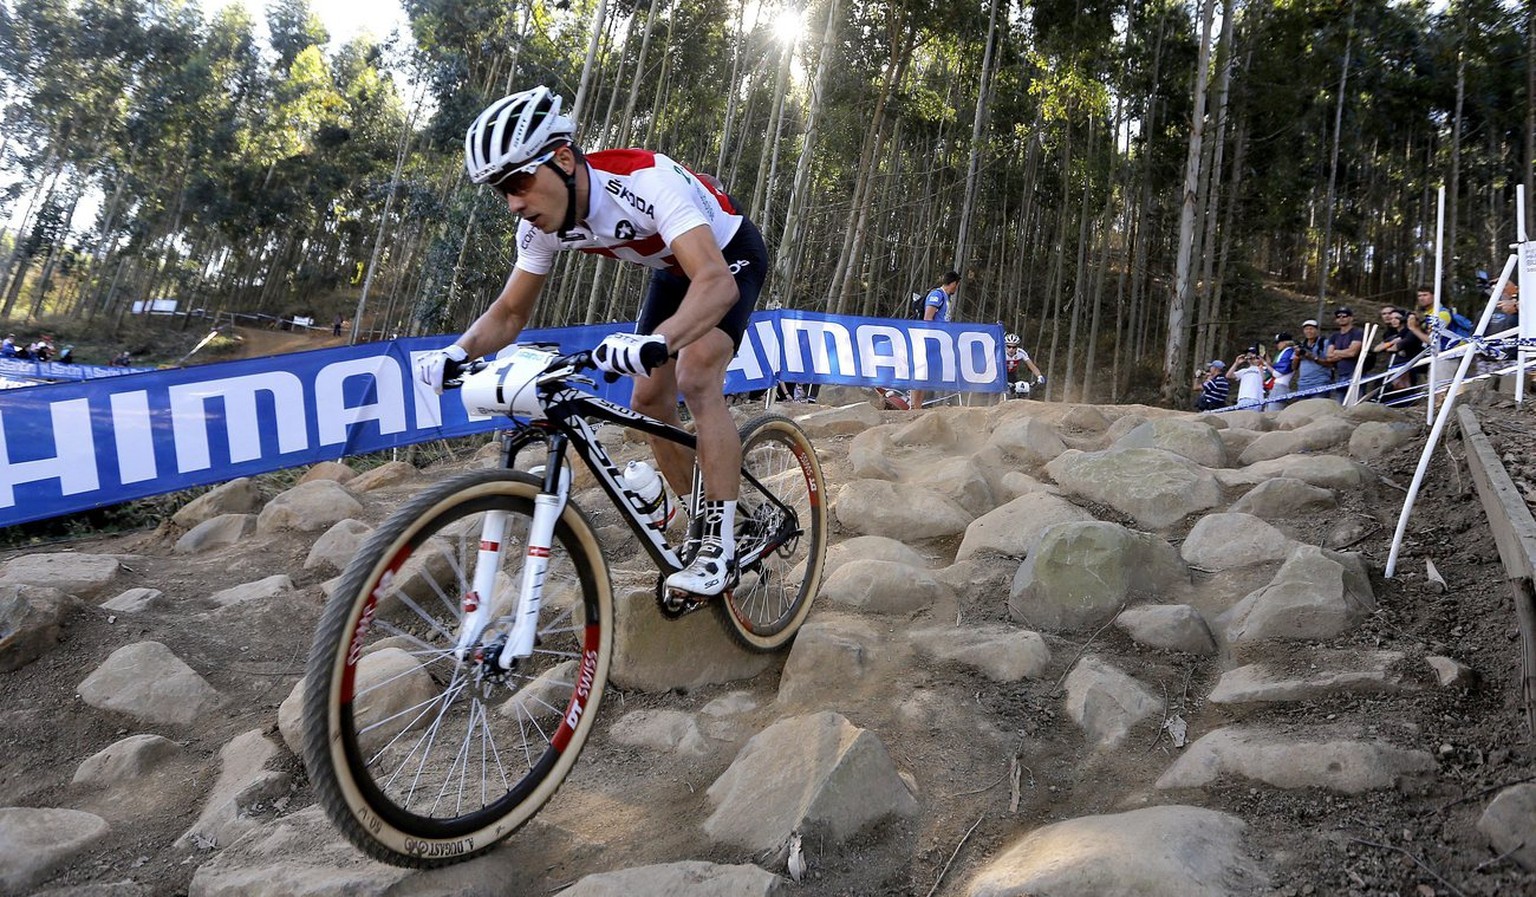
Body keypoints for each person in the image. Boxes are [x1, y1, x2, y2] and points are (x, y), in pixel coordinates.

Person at [417, 86, 767, 598]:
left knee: (695, 376)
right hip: (672, 268)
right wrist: (458, 351)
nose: (514, 203)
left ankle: (719, 544)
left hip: (726, 255)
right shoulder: (541, 225)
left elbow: (715, 283)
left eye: (519, 181)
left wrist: (659, 341)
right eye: (501, 191)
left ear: (561, 159)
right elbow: (511, 311)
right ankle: (702, 514)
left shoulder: (643, 181)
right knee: (648, 399)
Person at [908, 271, 959, 411]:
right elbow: (928, 317)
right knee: (921, 371)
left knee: (927, 374)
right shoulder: (937, 295)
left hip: (938, 340)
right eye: (956, 285)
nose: (956, 289)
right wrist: (930, 338)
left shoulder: (945, 297)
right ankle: (913, 404)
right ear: (954, 283)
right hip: (929, 339)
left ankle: (917, 405)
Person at [1324, 307, 1363, 401]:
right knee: (1339, 404)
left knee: (1355, 404)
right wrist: (1344, 353)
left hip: (1355, 373)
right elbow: (1328, 356)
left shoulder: (1357, 333)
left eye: (1344, 316)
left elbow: (1352, 352)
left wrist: (1336, 352)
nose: (1341, 318)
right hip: (1340, 374)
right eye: (1338, 316)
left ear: (1351, 318)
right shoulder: (1335, 336)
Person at [1293, 320, 1333, 398]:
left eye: (1311, 329)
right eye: (1306, 329)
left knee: (1318, 408)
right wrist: (1297, 355)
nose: (1308, 331)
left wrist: (1313, 357)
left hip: (1320, 383)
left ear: (1317, 330)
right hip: (1303, 384)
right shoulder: (1301, 345)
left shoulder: (1324, 343)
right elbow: (1294, 367)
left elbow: (1330, 363)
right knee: (1303, 409)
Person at [1003, 332, 1044, 398]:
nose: (1011, 349)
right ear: (1005, 346)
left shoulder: (1021, 352)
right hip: (1000, 374)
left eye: (1014, 347)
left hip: (1011, 374)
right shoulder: (1001, 352)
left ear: (1017, 347)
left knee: (1016, 391)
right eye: (1009, 346)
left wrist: (1039, 376)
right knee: (999, 392)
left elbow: (1031, 365)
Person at [1265, 333, 1297, 410]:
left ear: (1285, 342)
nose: (1277, 345)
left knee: (1273, 412)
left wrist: (1265, 364)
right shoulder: (1287, 352)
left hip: (1280, 386)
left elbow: (1278, 373)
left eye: (1278, 342)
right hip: (1280, 386)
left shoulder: (1288, 352)